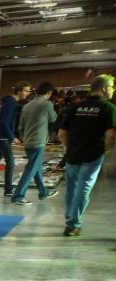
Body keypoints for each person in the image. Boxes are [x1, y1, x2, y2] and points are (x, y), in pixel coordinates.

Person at [58, 74, 116, 237]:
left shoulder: (75, 107)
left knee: (72, 188)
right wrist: (105, 150)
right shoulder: (109, 108)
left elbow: (62, 133)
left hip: (73, 154)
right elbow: (111, 135)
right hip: (93, 155)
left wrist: (71, 147)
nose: (113, 90)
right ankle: (72, 224)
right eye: (112, 87)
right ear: (104, 88)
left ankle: (69, 218)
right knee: (83, 188)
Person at [10, 81, 58, 206]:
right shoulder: (47, 104)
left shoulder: (26, 106)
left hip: (27, 140)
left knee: (36, 167)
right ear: (49, 93)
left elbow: (21, 125)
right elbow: (53, 118)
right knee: (31, 169)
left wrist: (23, 138)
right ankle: (18, 196)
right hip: (38, 141)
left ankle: (43, 192)